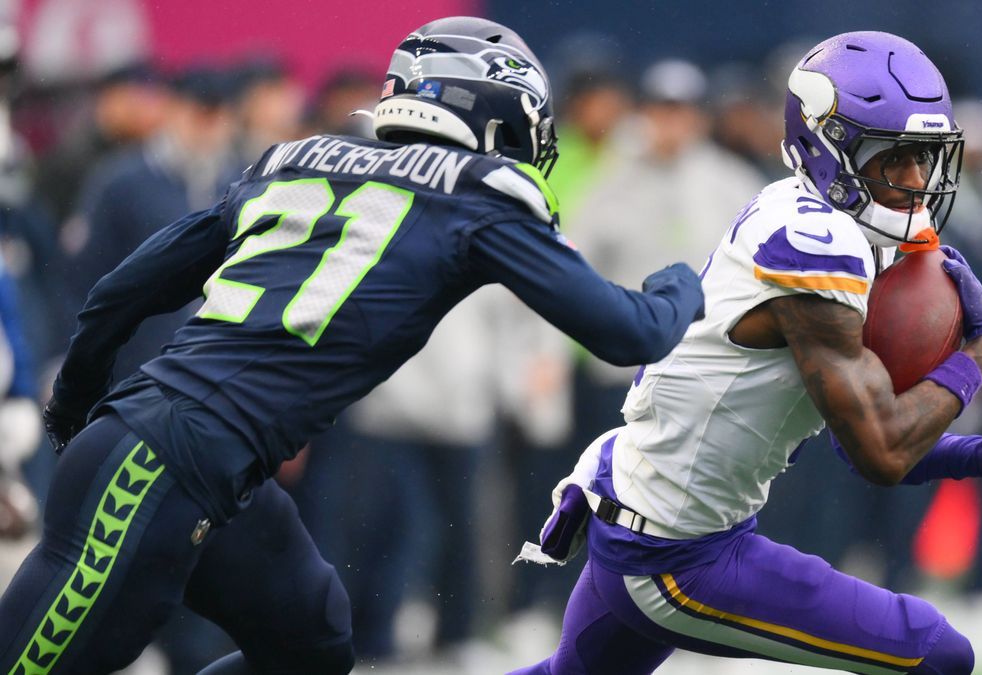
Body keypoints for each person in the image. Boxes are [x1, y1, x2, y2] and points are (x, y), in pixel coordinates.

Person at [0, 16, 704, 675]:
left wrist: (73, 411)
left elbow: (120, 294)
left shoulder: (292, 160)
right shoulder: (476, 196)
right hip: (171, 456)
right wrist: (685, 281)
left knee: (311, 648)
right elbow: (631, 331)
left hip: (192, 455)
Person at [512, 32, 982, 675]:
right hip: (679, 552)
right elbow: (880, 451)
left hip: (641, 502)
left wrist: (977, 454)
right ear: (829, 151)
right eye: (893, 159)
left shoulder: (814, 217)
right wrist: (976, 355)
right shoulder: (817, 242)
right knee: (938, 653)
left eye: (925, 159)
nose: (914, 183)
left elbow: (853, 436)